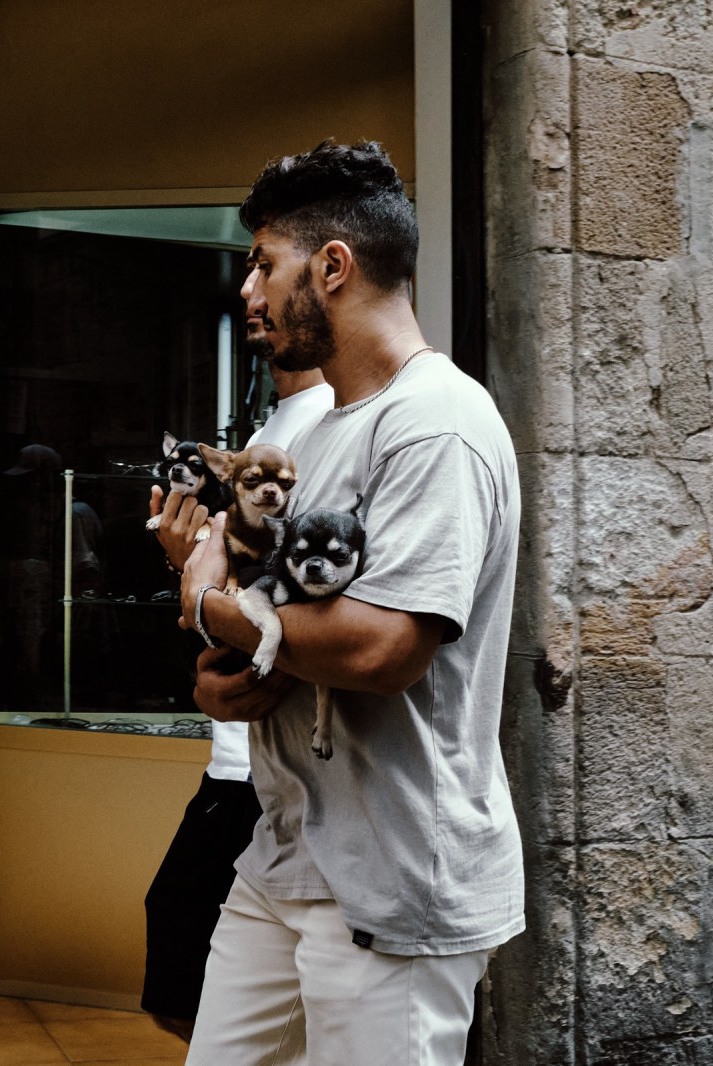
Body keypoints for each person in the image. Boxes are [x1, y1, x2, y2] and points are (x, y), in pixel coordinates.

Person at [159, 140, 523, 1065]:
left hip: (393, 879)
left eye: (264, 265)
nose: (249, 290)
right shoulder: (319, 432)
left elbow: (381, 649)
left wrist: (212, 609)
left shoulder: (438, 423)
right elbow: (278, 619)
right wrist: (223, 676)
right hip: (283, 858)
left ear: (332, 267)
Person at [141, 367, 333, 1041]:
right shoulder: (275, 425)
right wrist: (192, 566)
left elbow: (307, 597)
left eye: (266, 266)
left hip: (267, 772)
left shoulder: (329, 422)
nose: (256, 307)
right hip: (241, 760)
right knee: (192, 980)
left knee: (185, 975)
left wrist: (195, 583)